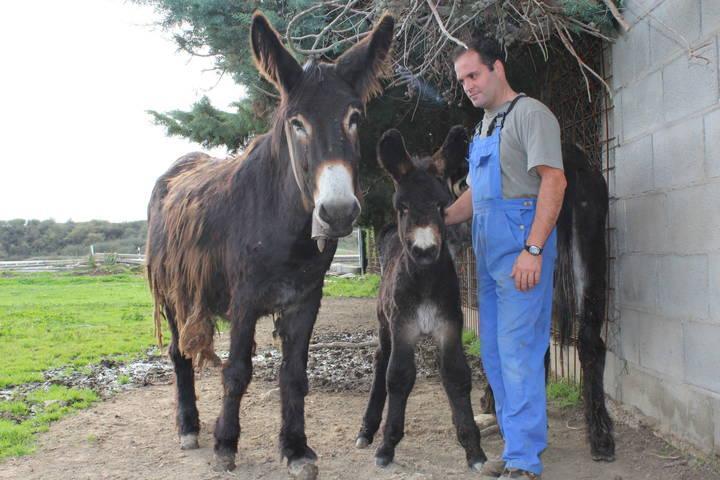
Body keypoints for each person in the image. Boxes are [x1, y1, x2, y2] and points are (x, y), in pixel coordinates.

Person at [445, 37, 567, 480]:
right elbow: (478, 195)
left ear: (497, 67)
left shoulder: (531, 115)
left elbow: (553, 181)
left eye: (474, 75)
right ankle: (517, 445)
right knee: (495, 353)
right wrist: (438, 217)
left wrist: (533, 250)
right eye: (462, 81)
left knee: (518, 352)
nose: (468, 86)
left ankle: (524, 460)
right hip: (488, 254)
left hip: (520, 248)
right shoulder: (483, 126)